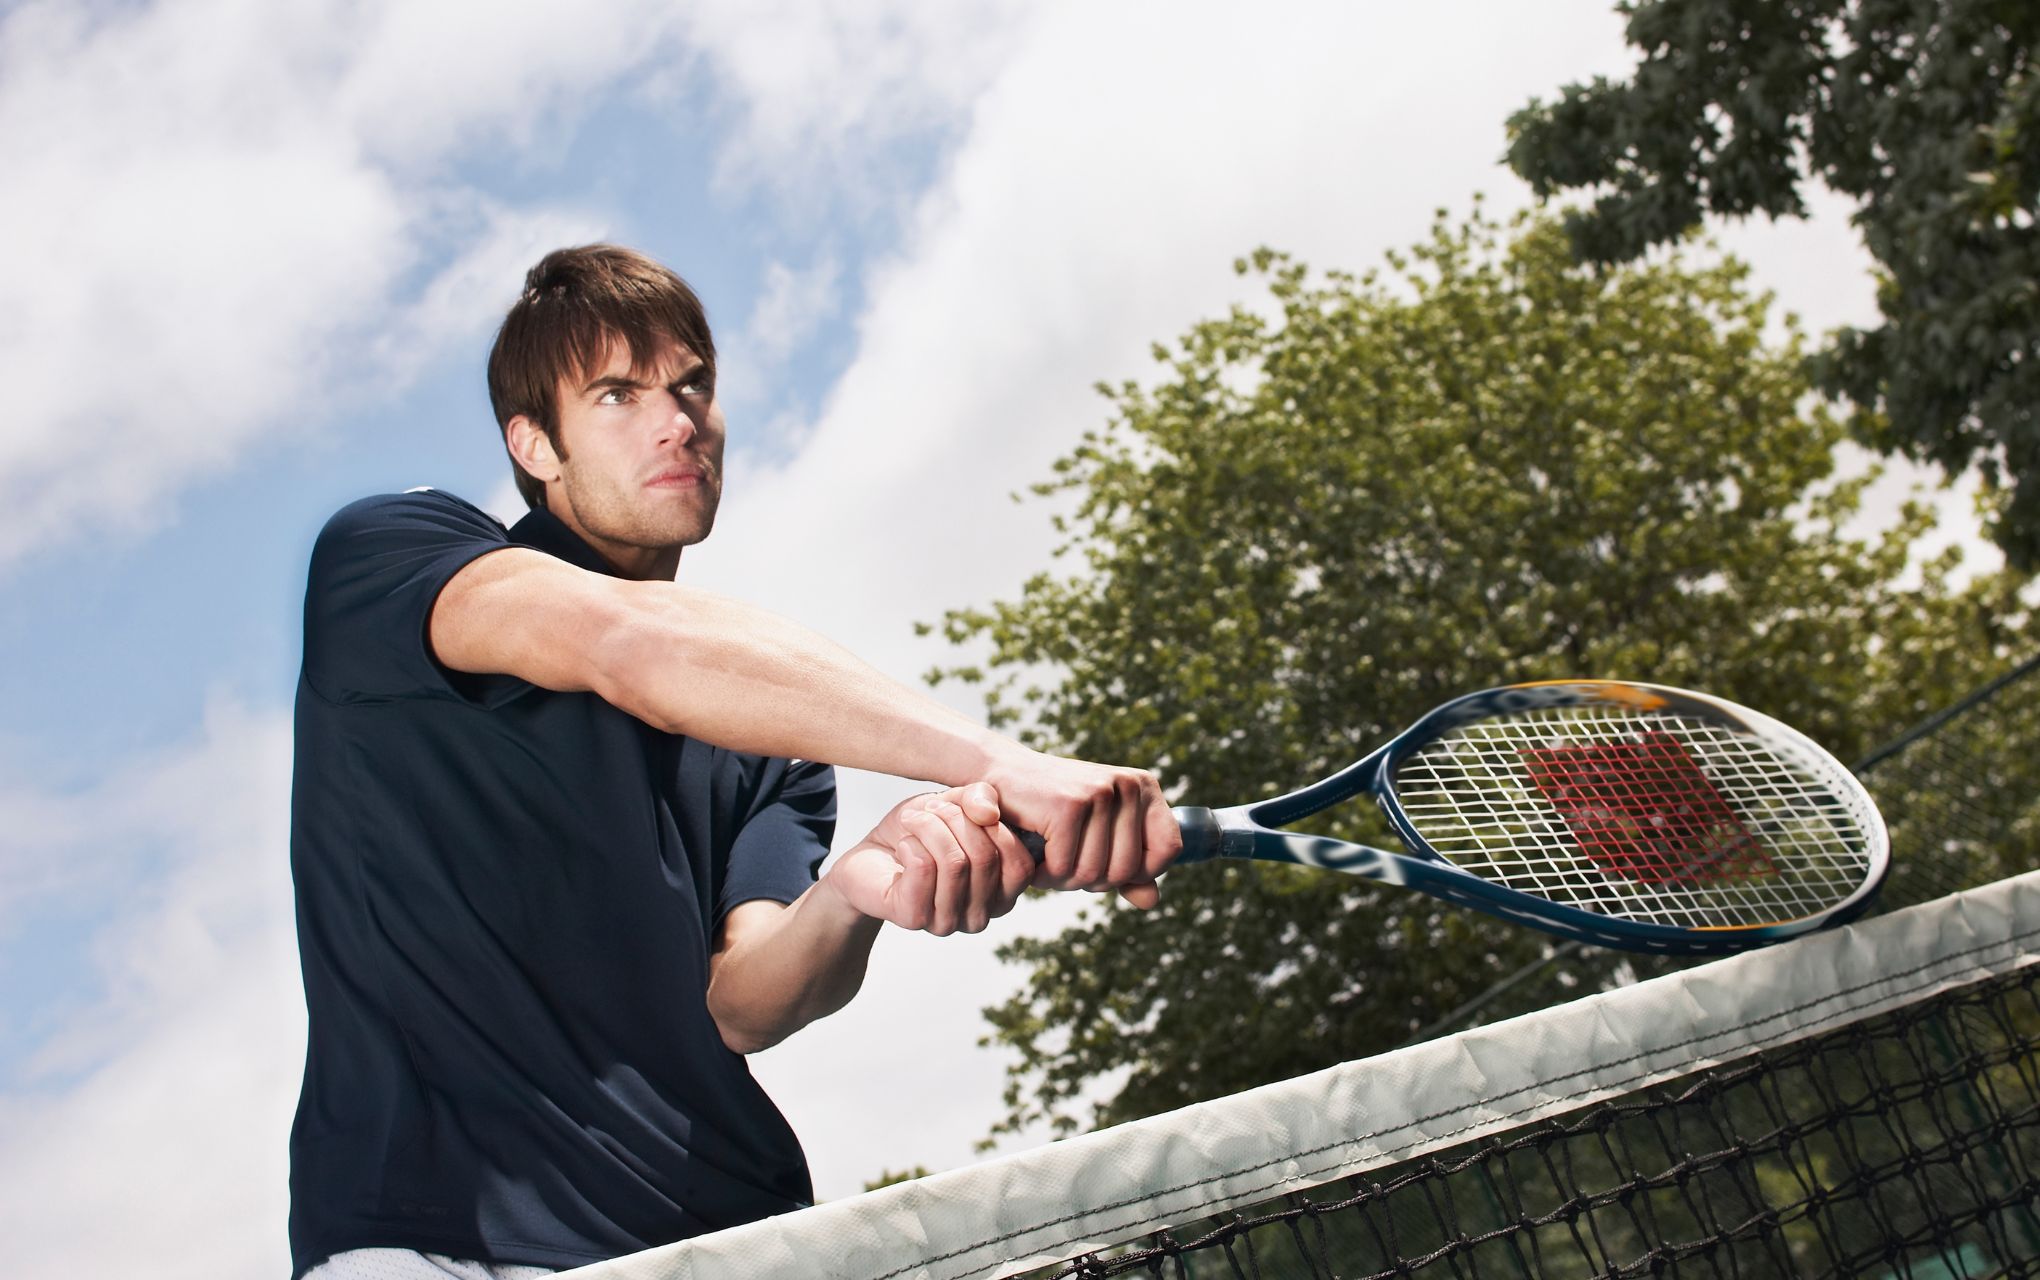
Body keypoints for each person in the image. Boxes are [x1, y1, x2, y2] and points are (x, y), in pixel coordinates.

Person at [287, 244, 1180, 1279]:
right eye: (617, 394)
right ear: (534, 444)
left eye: (693, 383)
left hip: (734, 1244)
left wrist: (852, 894)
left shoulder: (768, 737)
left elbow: (743, 1001)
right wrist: (1000, 760)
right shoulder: (394, 558)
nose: (678, 421)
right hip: (442, 1246)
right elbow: (628, 643)